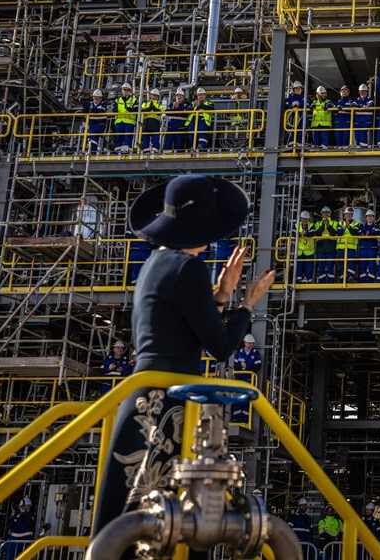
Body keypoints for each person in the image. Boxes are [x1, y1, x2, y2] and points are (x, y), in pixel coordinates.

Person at [91, 174, 275, 560]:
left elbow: (184, 329)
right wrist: (247, 304)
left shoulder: (157, 263)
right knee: (175, 521)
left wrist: (222, 294)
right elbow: (221, 346)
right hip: (170, 406)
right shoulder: (188, 269)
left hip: (143, 397)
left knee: (131, 517)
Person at [231, 333, 262, 424]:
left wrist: (247, 367)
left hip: (249, 380)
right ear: (245, 343)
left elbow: (258, 365)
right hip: (239, 380)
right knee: (237, 400)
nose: (251, 345)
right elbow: (233, 365)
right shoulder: (239, 353)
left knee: (247, 401)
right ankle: (236, 419)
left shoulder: (255, 353)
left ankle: (245, 421)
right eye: (249, 343)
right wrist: (240, 366)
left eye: (252, 343)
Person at [313, 207, 338, 284]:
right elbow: (317, 233)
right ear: (322, 214)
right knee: (321, 267)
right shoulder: (318, 223)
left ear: (330, 214)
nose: (326, 214)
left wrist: (329, 226)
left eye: (327, 213)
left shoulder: (335, 223)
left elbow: (334, 233)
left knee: (330, 266)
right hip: (321, 247)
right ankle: (321, 282)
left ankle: (330, 282)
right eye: (324, 213)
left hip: (331, 247)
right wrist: (323, 226)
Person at [336, 207, 361, 284]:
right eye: (347, 214)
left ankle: (350, 278)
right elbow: (339, 233)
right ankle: (343, 279)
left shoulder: (356, 224)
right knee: (342, 263)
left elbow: (354, 232)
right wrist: (344, 227)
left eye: (350, 214)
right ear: (344, 215)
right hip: (341, 247)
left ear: (352, 215)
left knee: (351, 263)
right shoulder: (339, 223)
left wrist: (349, 226)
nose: (348, 216)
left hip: (351, 247)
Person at [112, 83, 138, 152]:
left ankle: (127, 149)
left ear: (130, 91)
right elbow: (114, 110)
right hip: (119, 121)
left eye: (127, 90)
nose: (126, 91)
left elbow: (136, 109)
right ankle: (118, 149)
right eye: (124, 89)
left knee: (128, 137)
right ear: (122, 90)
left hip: (129, 122)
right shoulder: (117, 100)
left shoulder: (134, 100)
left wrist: (130, 109)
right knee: (118, 136)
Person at [358, 209, 380, 283]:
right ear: (366, 217)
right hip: (363, 249)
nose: (370, 217)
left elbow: (377, 232)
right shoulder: (362, 227)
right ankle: (363, 281)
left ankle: (371, 281)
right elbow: (359, 233)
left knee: (372, 265)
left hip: (372, 249)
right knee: (362, 266)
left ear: (374, 218)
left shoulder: (377, 227)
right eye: (368, 216)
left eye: (371, 216)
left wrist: (369, 234)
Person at [295, 210, 316, 284]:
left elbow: (312, 233)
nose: (304, 220)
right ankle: (298, 279)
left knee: (309, 266)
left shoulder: (311, 225)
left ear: (308, 219)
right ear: (300, 218)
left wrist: (304, 233)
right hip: (299, 251)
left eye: (306, 218)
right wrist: (301, 234)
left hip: (309, 251)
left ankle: (309, 279)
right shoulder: (296, 225)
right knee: (299, 265)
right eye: (303, 218)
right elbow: (293, 234)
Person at [352, 84, 375, 148]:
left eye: (365, 91)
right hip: (357, 121)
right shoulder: (356, 100)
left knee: (363, 133)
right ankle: (359, 146)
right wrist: (362, 106)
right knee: (357, 135)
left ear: (367, 92)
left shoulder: (370, 100)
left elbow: (372, 104)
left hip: (366, 120)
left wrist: (368, 106)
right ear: (359, 92)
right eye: (362, 91)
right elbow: (352, 105)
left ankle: (364, 148)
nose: (363, 93)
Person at [286, 80, 306, 146]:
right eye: (296, 89)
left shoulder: (303, 98)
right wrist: (292, 104)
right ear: (294, 90)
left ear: (301, 90)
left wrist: (299, 104)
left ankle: (299, 142)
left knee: (300, 128)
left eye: (299, 89)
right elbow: (286, 104)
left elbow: (307, 104)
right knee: (291, 127)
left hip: (301, 115)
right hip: (292, 115)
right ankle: (291, 141)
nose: (298, 90)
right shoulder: (291, 97)